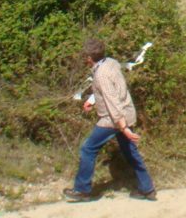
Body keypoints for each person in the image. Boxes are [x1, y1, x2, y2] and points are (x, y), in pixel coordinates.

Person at [62, 39, 156, 203]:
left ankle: (82, 190)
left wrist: (124, 128)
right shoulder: (111, 63)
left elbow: (112, 103)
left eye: (85, 56)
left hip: (113, 119)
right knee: (130, 151)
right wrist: (92, 100)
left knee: (88, 149)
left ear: (89, 58)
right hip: (126, 112)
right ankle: (147, 189)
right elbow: (109, 91)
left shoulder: (101, 74)